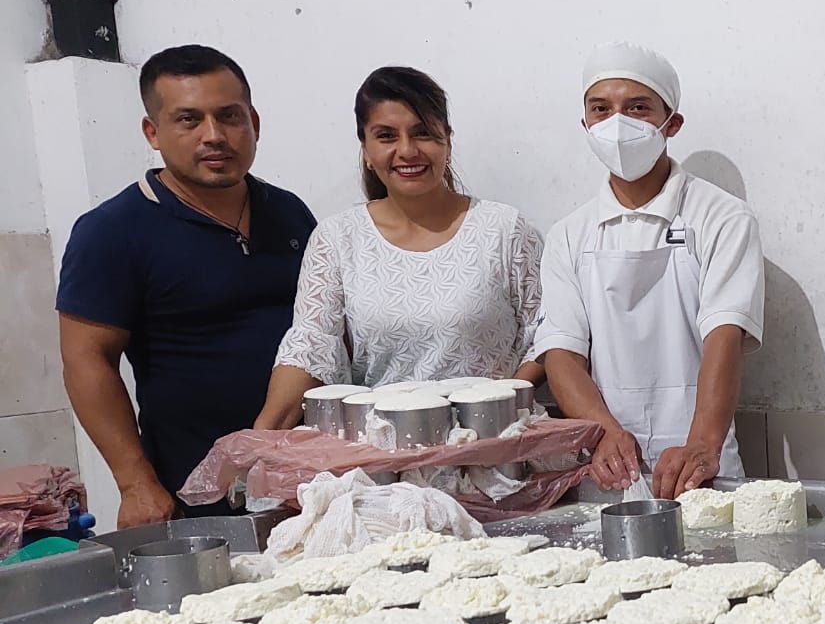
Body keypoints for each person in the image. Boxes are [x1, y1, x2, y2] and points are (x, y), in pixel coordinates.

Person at [56, 45, 316, 528]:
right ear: (152, 132)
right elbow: (86, 360)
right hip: (194, 495)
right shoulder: (113, 231)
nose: (214, 135)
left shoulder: (289, 212)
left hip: (306, 483)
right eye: (189, 120)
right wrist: (135, 484)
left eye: (229, 116)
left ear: (254, 122)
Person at [534, 42, 765, 498]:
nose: (617, 123)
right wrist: (604, 432)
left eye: (637, 107)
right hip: (609, 466)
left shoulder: (723, 218)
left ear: (671, 123)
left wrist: (702, 444)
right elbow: (561, 352)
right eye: (601, 109)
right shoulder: (569, 234)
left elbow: (724, 334)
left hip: (703, 465)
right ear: (586, 124)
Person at [255, 66, 544, 428]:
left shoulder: (505, 230)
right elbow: (311, 346)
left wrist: (496, 409)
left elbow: (547, 336)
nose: (407, 150)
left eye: (423, 133)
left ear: (447, 142)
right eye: (386, 136)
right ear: (366, 149)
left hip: (497, 440)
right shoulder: (338, 238)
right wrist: (265, 434)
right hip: (387, 448)